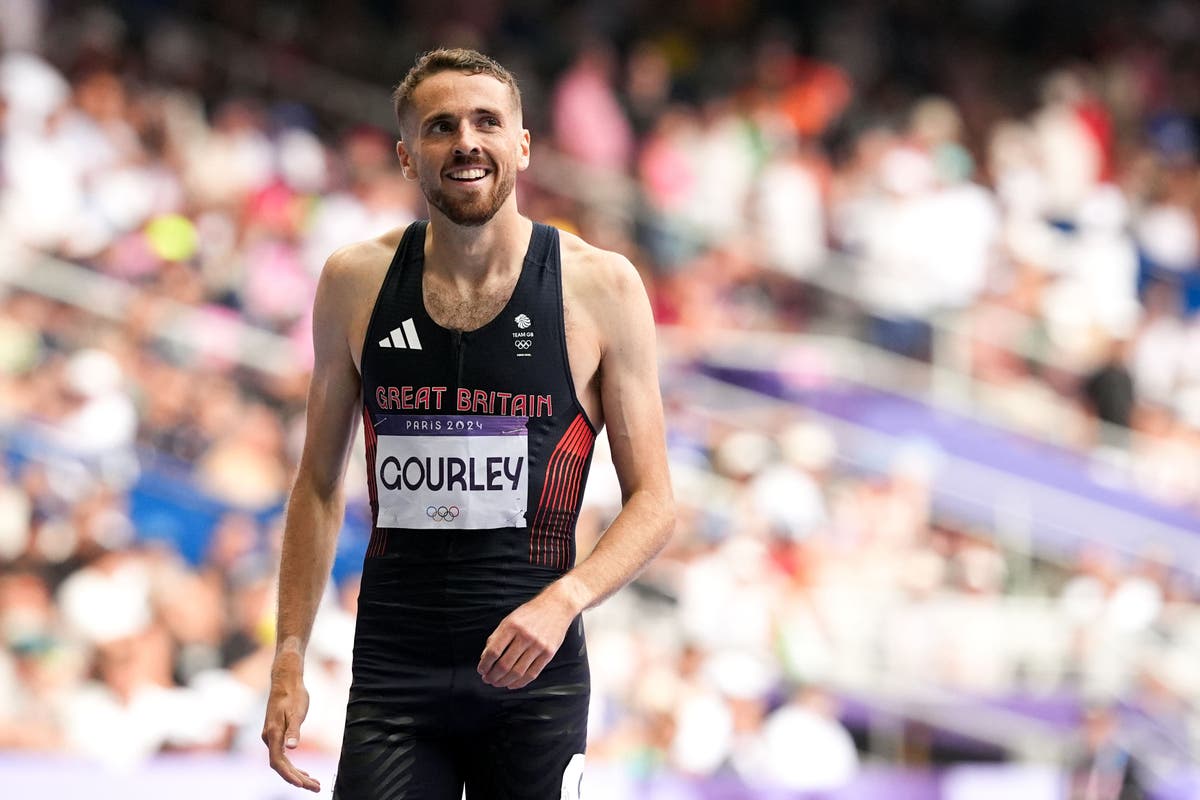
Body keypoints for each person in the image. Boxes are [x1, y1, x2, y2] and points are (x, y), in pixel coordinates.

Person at [260, 47, 675, 799]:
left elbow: (655, 501)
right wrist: (289, 650)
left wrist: (565, 600)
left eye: (487, 122)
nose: (465, 141)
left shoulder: (601, 286)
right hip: (395, 675)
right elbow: (317, 485)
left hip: (535, 679)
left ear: (522, 144)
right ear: (406, 156)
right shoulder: (354, 283)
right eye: (440, 126)